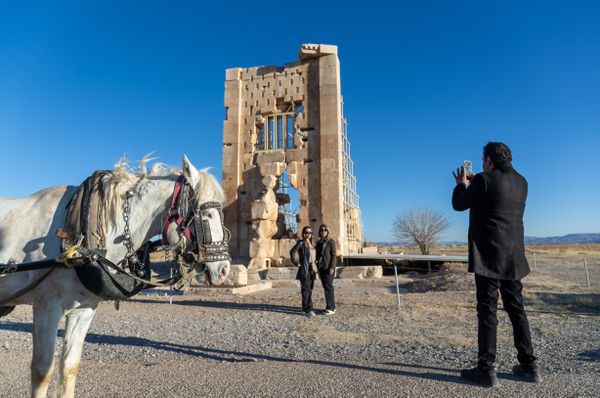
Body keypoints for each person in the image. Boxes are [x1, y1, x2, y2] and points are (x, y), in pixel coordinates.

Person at [452, 142, 540, 387]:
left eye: (483, 159)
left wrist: (462, 185)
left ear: (489, 159)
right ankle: (529, 365)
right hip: (514, 257)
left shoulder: (483, 179)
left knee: (488, 313)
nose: (482, 164)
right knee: (517, 311)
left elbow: (459, 204)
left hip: (489, 257)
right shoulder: (522, 182)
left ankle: (487, 369)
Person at [290, 226, 317, 318]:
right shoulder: (301, 243)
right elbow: (292, 252)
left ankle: (305, 307)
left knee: (309, 289)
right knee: (306, 290)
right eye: (306, 232)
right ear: (303, 233)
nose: (308, 234)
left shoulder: (312, 243)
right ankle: (308, 310)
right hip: (304, 269)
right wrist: (295, 262)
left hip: (312, 269)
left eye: (310, 232)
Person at [316, 224, 337, 315]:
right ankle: (332, 306)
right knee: (326, 287)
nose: (323, 231)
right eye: (321, 230)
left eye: (325, 230)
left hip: (329, 268)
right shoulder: (318, 242)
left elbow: (334, 255)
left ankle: (330, 308)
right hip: (321, 267)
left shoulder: (330, 241)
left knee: (328, 287)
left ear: (327, 231)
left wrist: (332, 267)